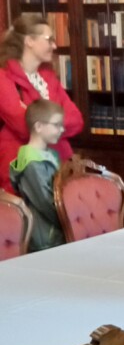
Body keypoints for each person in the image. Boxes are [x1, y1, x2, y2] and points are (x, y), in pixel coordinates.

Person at [0, 14, 82, 193]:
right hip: (24, 171)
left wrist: (37, 116)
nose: (54, 45)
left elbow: (77, 120)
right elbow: (23, 126)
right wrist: (57, 120)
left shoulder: (48, 78)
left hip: (60, 166)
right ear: (29, 41)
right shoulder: (3, 78)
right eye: (49, 39)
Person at [9, 99, 66, 251]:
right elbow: (45, 202)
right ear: (39, 126)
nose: (62, 129)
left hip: (57, 233)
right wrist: (69, 221)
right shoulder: (31, 163)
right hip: (45, 238)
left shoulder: (50, 155)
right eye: (56, 125)